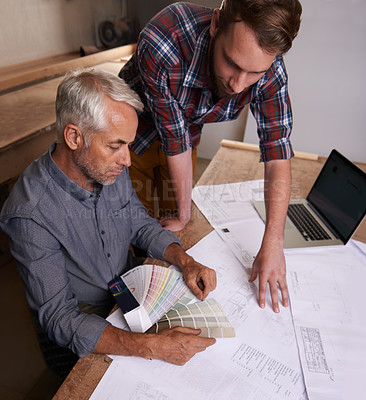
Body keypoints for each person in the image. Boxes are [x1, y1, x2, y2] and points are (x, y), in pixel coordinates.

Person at [0, 69, 217, 377]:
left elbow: (138, 222)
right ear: (74, 137)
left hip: (128, 291)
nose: (127, 160)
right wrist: (152, 346)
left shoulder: (105, 167)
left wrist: (185, 260)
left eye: (128, 145)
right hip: (86, 318)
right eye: (116, 146)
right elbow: (61, 318)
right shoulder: (29, 213)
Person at [119, 0, 302, 313]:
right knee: (130, 231)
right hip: (130, 141)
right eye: (231, 63)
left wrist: (273, 242)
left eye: (253, 73)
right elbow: (173, 139)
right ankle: (125, 305)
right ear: (216, 24)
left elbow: (277, 152)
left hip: (184, 137)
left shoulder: (271, 70)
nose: (238, 83)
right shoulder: (165, 40)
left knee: (175, 229)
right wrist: (183, 213)